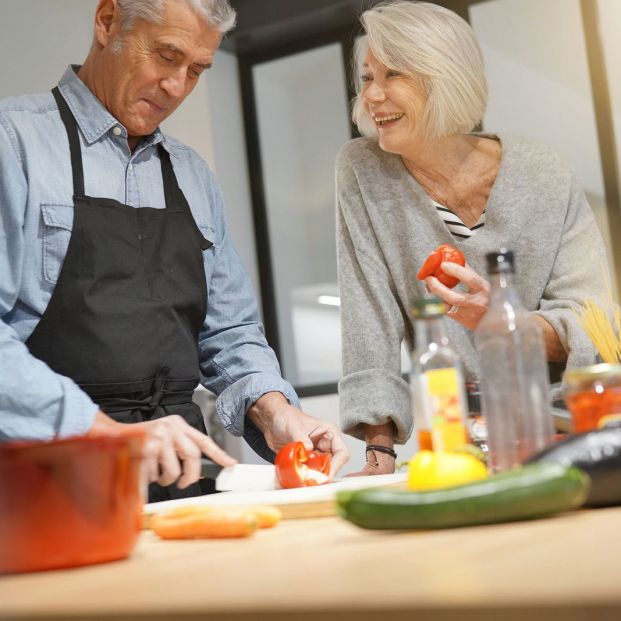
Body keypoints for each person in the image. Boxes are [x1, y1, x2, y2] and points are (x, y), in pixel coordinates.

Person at [0, 0, 349, 501]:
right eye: (166, 56)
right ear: (107, 21)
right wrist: (104, 435)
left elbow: (229, 332)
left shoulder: (191, 174)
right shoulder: (14, 143)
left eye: (197, 71)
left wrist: (276, 411)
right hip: (50, 482)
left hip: (183, 474)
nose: (178, 87)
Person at [336, 0, 609, 475]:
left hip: (572, 428)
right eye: (366, 78)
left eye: (393, 75)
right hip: (457, 437)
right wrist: (378, 452)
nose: (372, 97)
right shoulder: (363, 171)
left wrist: (504, 325)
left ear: (445, 77)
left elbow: (596, 321)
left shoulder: (542, 171)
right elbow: (368, 319)